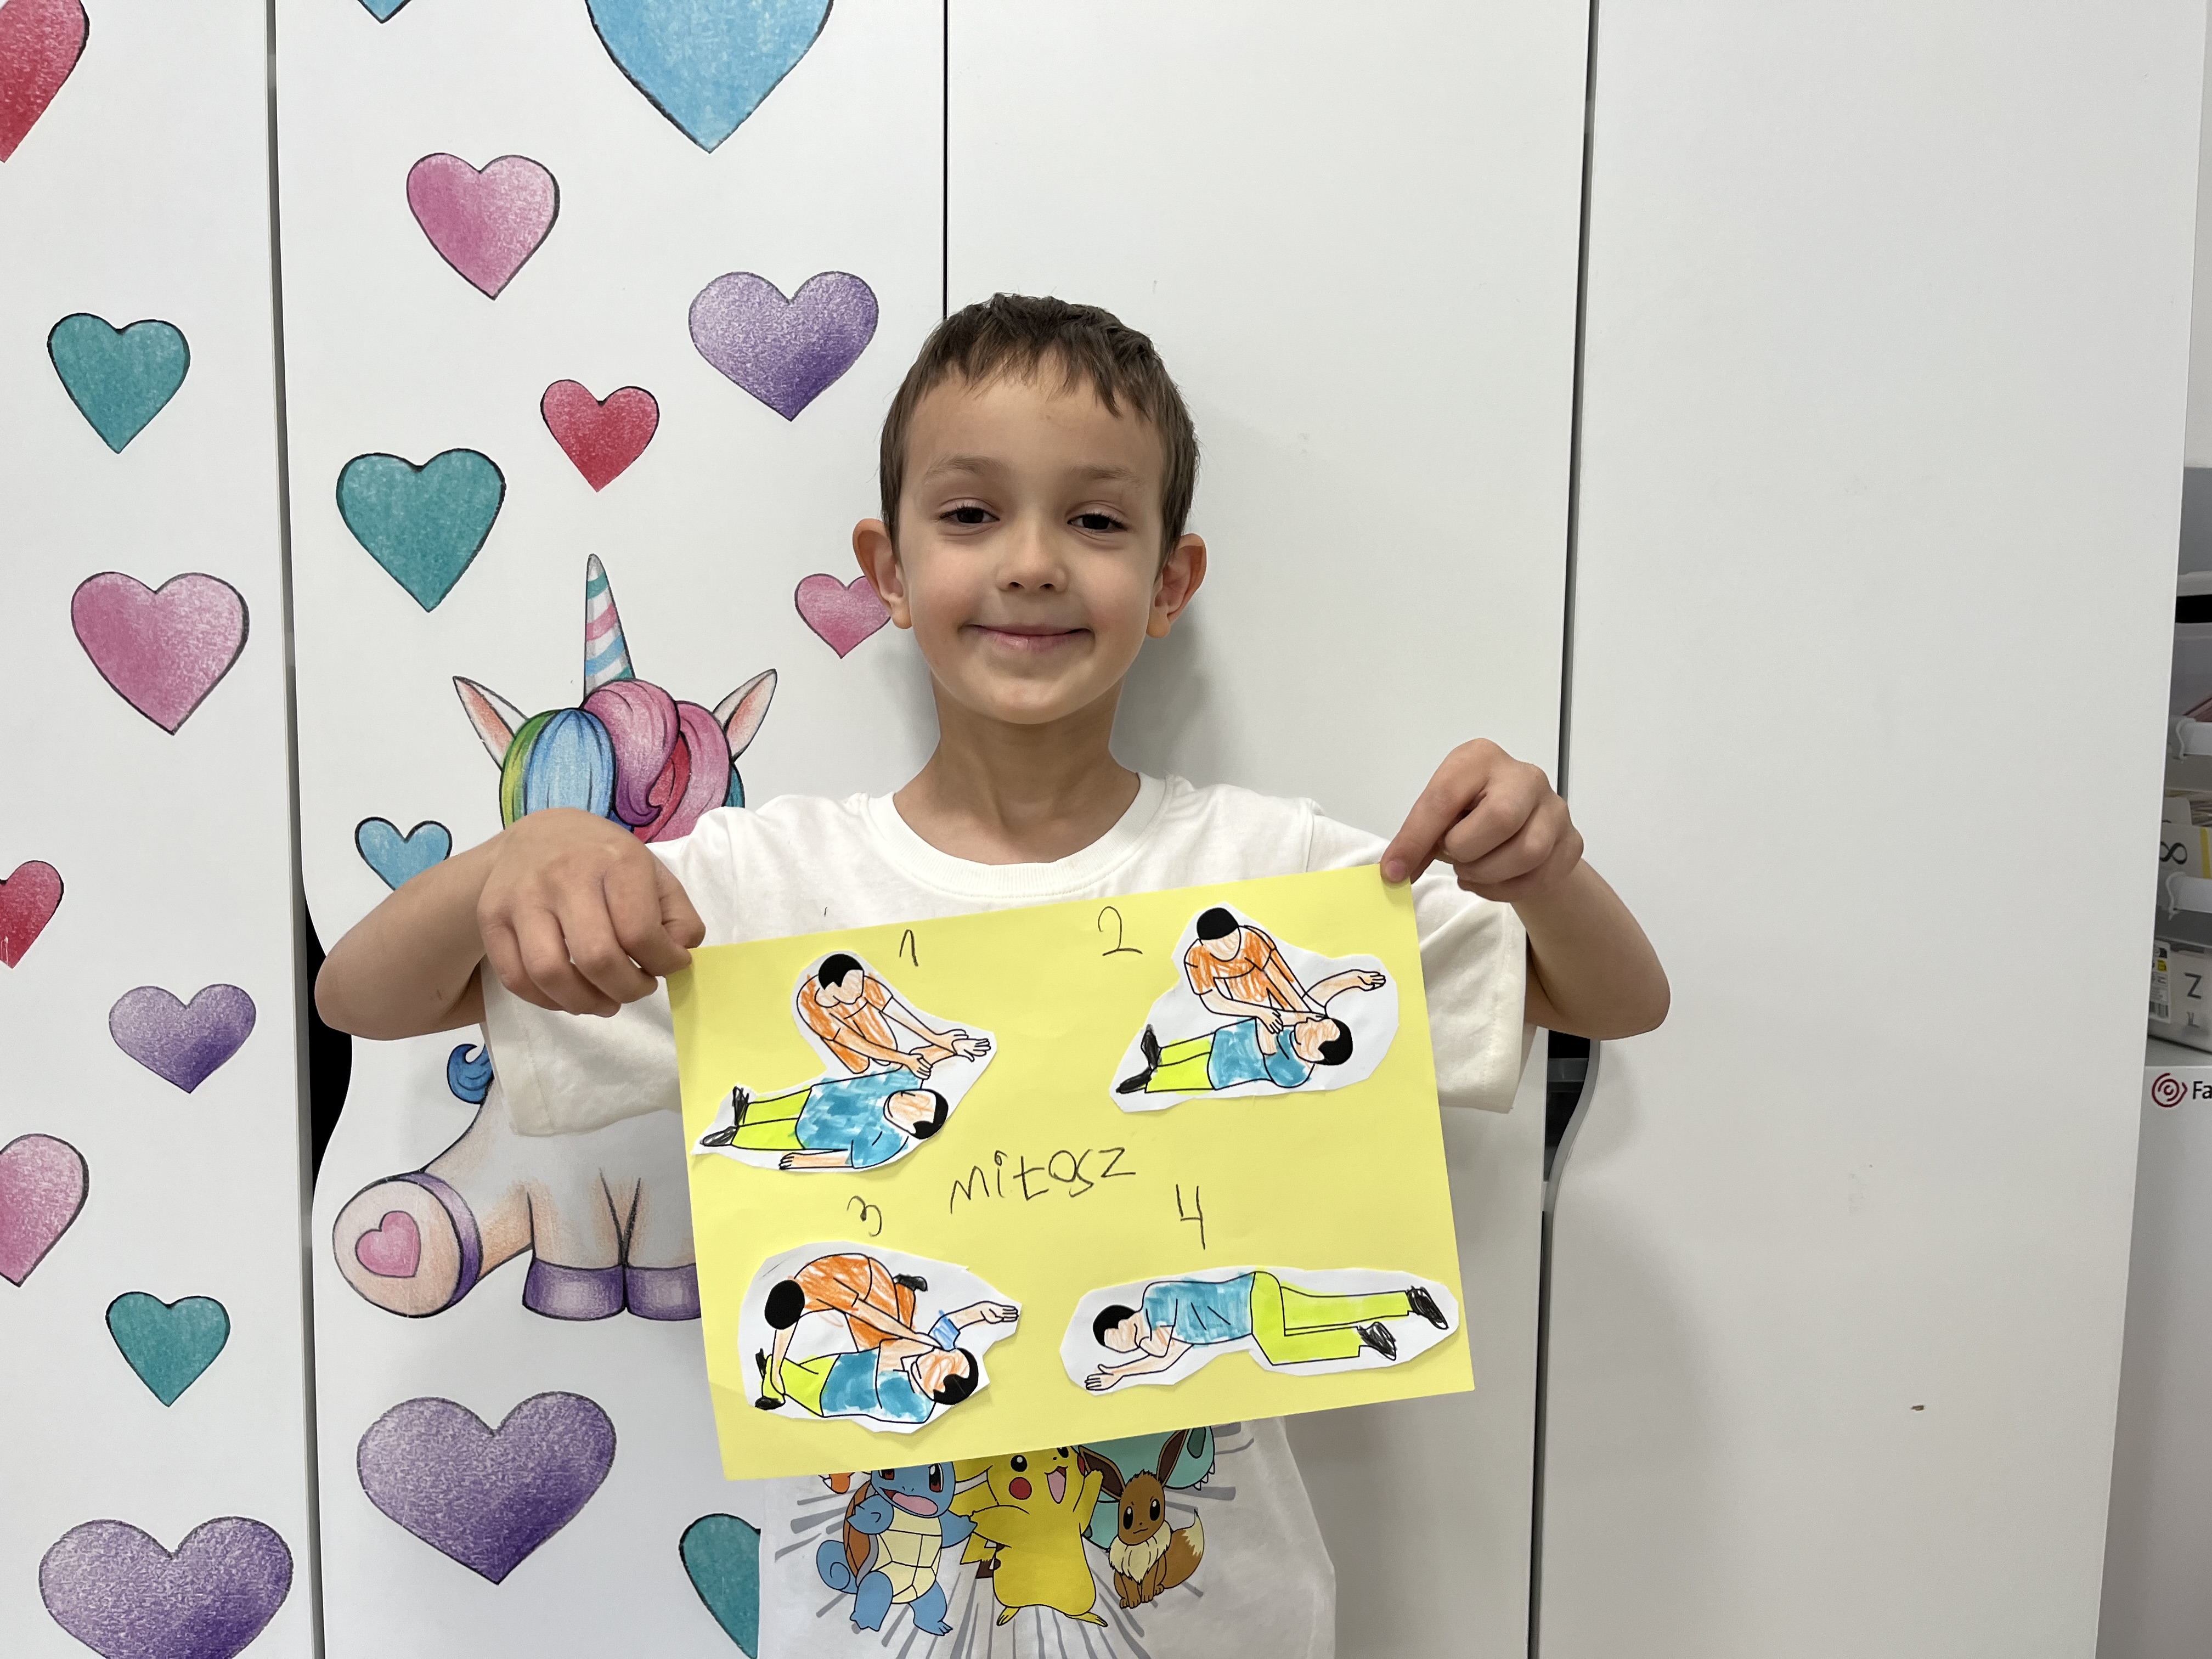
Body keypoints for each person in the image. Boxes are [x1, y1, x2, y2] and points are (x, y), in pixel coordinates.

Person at [315, 294, 1669, 1654]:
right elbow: (366, 1000)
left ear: (1171, 580)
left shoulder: (1271, 875)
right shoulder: (758, 888)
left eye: (1096, 520)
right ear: (888, 570)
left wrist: (1542, 864)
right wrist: (519, 857)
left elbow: (1613, 1000)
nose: (1031, 563)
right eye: (970, 514)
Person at [753, 1250, 1016, 1424]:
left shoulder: (915, 1409)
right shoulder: (934, 1358)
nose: (937, 1352)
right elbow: (946, 1329)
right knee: (894, 1329)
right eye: (946, 1353)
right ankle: (904, 1291)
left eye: (939, 1363)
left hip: (828, 1394)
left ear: (934, 1390)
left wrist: (914, 1340)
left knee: (790, 1377)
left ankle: (771, 1377)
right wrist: (980, 1313)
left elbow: (887, 1350)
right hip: (844, 1362)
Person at [1085, 1272, 1450, 1389]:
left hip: (1251, 1300)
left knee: (1279, 1351)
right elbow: (1166, 1362)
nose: (1126, 1346)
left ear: (1123, 1320)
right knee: (1326, 1311)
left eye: (1119, 1338)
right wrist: (1121, 1373)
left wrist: (1142, 1347)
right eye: (1118, 1349)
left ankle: (1361, 1338)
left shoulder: (1154, 1300)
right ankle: (1408, 1301)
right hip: (1258, 1301)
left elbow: (1161, 1349)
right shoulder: (1176, 1333)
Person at [695, 1069, 947, 1169]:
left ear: (911, 1129)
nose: (909, 1099)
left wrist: (805, 1161)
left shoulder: (888, 1144)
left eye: (915, 1110)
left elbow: (847, 1160)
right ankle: (748, 1112)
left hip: (813, 1133)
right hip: (820, 1095)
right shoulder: (901, 1080)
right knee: (778, 1107)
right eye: (918, 1096)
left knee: (771, 1134)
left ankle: (734, 1137)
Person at [799, 953, 989, 1081]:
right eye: (852, 987)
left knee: (888, 1052)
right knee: (860, 1067)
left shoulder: (865, 986)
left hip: (861, 1012)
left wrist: (942, 1040)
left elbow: (900, 1014)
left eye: (860, 983)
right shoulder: (811, 1009)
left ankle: (930, 1053)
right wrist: (906, 1060)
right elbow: (855, 1043)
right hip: (837, 1029)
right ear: (832, 988)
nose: (859, 990)